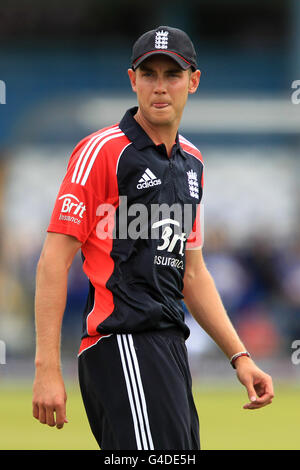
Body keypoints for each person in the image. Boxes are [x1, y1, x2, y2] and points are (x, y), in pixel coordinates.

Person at [32, 26, 274, 450]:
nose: (160, 87)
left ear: (193, 81)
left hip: (169, 347)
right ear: (133, 80)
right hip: (121, 344)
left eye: (172, 75)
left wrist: (241, 357)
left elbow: (192, 274)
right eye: (149, 74)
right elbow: (55, 259)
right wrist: (46, 367)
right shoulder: (102, 151)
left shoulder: (192, 163)